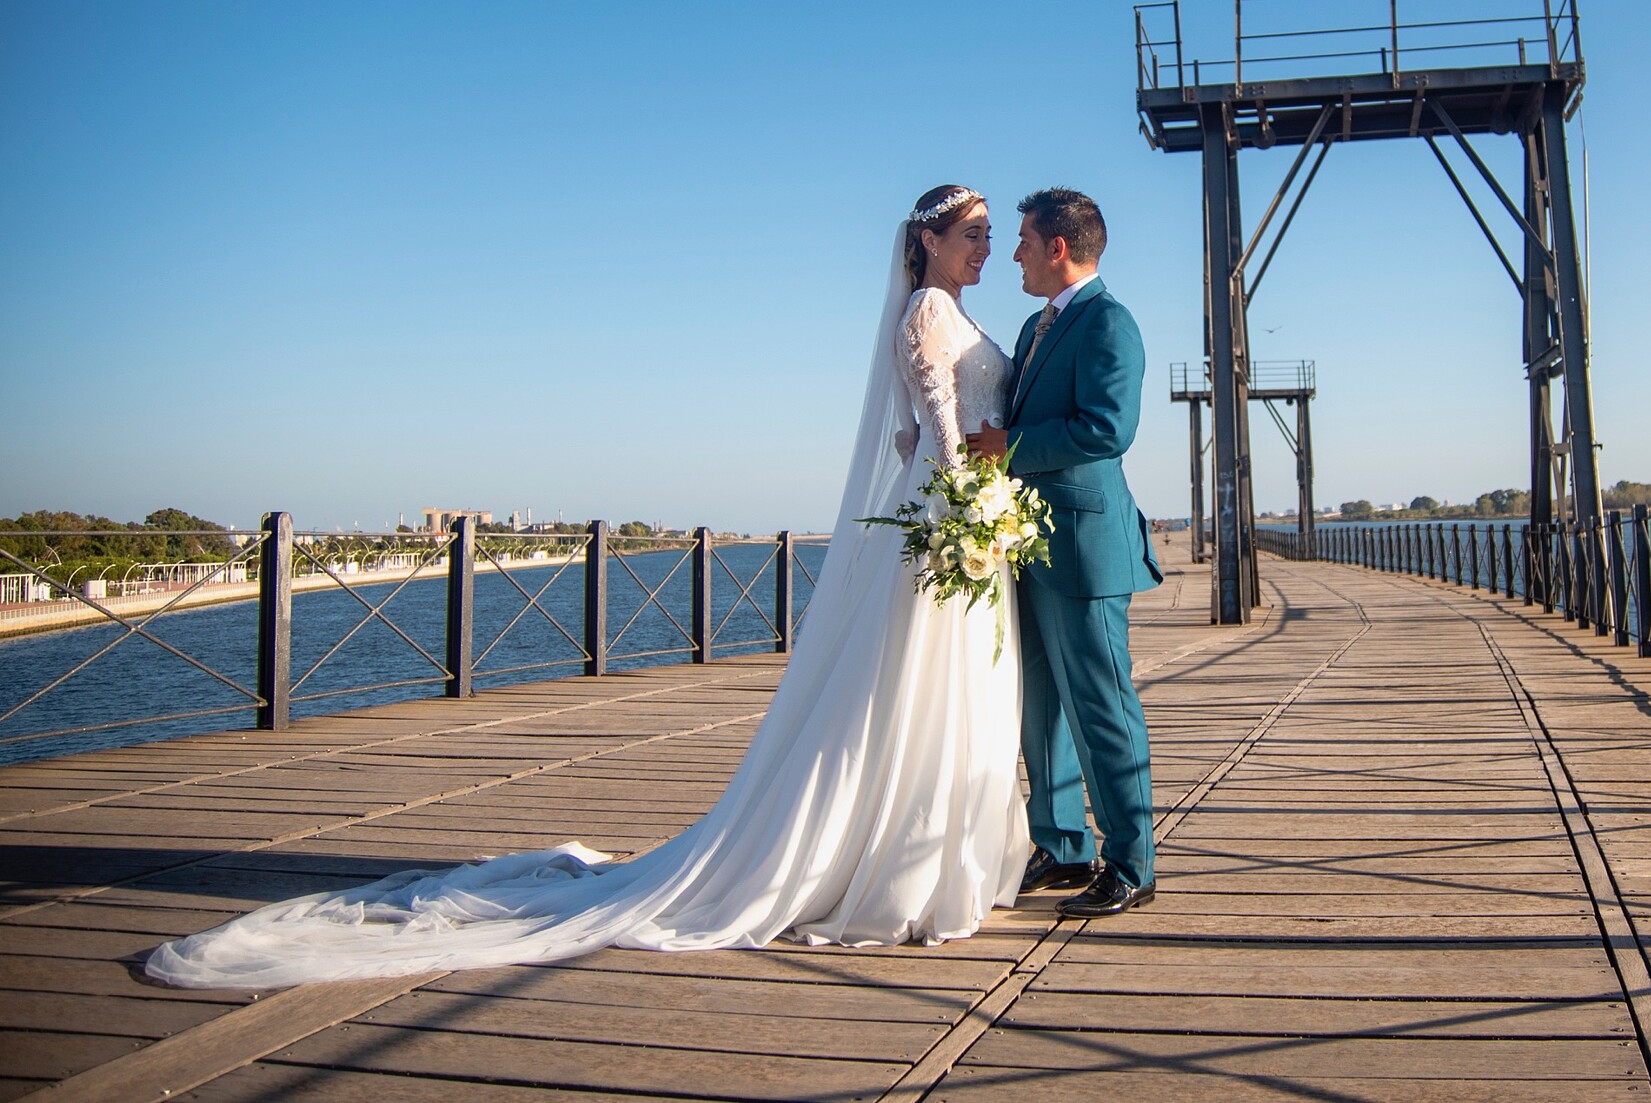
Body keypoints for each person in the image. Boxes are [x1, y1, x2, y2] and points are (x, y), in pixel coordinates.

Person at [146, 185, 1034, 989]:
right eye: (973, 234)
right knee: (918, 688)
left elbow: (910, 441)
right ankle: (900, 865)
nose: (986, 247)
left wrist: (975, 491)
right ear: (928, 240)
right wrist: (972, 507)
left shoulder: (951, 312)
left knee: (932, 687)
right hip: (950, 518)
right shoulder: (926, 309)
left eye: (992, 234)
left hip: (956, 514)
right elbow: (937, 439)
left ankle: (926, 852)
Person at [966, 187, 1163, 918]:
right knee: (1041, 706)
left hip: (1085, 547)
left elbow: (1107, 428)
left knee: (1102, 706)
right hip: (1028, 544)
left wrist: (1008, 448)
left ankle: (1132, 863)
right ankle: (1062, 846)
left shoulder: (1111, 322)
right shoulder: (1034, 326)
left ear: (1057, 247)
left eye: (1022, 240)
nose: (1012, 254)